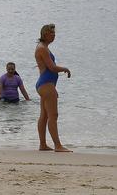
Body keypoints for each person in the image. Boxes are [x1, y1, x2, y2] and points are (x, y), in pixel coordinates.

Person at [35, 23, 72, 152]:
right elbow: (52, 67)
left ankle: (43, 145)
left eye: (55, 33)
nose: (54, 35)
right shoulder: (42, 48)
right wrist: (65, 69)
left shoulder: (44, 47)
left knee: (45, 115)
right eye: (52, 33)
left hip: (47, 84)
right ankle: (58, 145)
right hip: (46, 83)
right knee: (53, 115)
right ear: (45, 34)